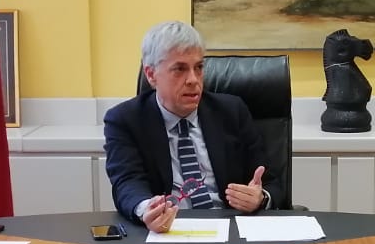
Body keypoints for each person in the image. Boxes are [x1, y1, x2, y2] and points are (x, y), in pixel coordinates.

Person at [103, 20, 280, 232]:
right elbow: (126, 182)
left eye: (199, 68)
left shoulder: (232, 111)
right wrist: (147, 209)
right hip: (169, 230)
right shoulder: (125, 120)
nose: (193, 80)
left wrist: (259, 198)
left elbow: (270, 182)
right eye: (179, 69)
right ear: (151, 75)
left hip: (230, 229)